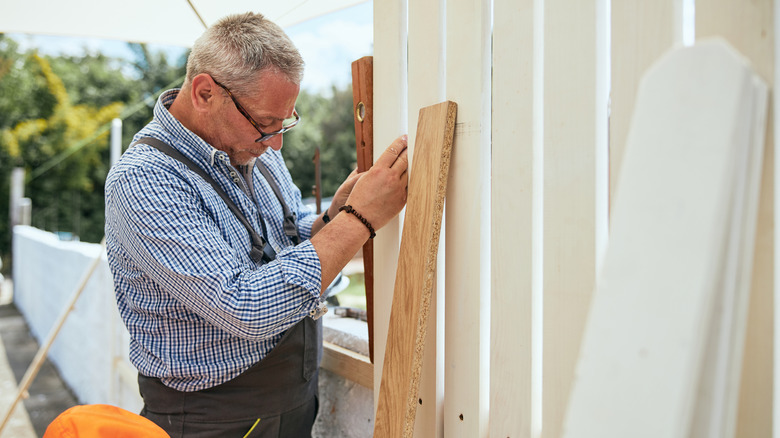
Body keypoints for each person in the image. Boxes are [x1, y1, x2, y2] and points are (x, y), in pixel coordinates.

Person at [104, 12, 408, 437]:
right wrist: (359, 219)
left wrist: (330, 218)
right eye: (266, 124)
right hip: (213, 419)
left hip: (292, 401)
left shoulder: (252, 143)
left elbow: (282, 240)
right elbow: (245, 306)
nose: (277, 141)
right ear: (205, 91)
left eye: (285, 122)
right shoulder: (146, 179)